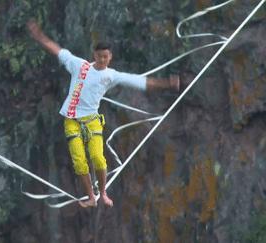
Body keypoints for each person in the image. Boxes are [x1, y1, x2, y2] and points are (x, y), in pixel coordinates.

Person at [27, 19, 179, 208]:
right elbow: (56, 50)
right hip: (72, 119)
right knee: (80, 162)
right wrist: (39, 36)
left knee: (98, 158)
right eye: (99, 56)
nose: (102, 60)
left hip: (92, 120)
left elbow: (138, 82)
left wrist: (166, 84)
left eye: (106, 57)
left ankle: (103, 193)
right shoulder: (79, 65)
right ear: (94, 55)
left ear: (110, 57)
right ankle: (91, 196)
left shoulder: (111, 76)